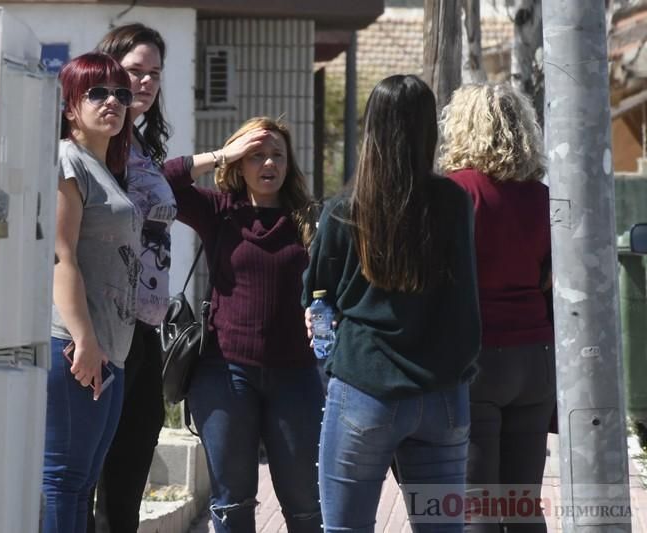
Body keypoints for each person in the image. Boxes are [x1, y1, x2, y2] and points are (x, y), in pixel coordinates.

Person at [302, 75, 481, 532]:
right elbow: (465, 298)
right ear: (429, 130)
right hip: (442, 392)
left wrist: (330, 362)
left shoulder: (345, 209)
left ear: (370, 129)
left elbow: (317, 299)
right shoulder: (453, 203)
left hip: (364, 387)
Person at [161, 117, 324, 532]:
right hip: (224, 374)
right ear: (239, 162)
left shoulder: (308, 218)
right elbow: (160, 180)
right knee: (232, 504)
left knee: (305, 501)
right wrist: (220, 155)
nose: (268, 163)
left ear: (289, 165)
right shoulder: (220, 211)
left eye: (277, 155)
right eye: (256, 155)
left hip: (296, 376)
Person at [439, 82, 555, 533]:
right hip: (535, 357)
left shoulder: (454, 193)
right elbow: (551, 277)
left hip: (477, 357)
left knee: (476, 507)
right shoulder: (543, 197)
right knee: (523, 503)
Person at [43, 52, 141, 533]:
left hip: (110, 350)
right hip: (75, 347)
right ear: (69, 106)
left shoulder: (105, 168)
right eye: (97, 92)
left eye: (121, 94)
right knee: (63, 480)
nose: (113, 102)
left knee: (82, 484)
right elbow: (62, 254)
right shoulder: (67, 159)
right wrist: (83, 340)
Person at [86, 23, 176, 533]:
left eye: (153, 75)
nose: (143, 84)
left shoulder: (140, 145)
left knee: (127, 480)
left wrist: (222, 158)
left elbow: (172, 180)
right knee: (86, 478)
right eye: (134, 72)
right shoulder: (91, 144)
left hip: (144, 328)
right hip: (101, 329)